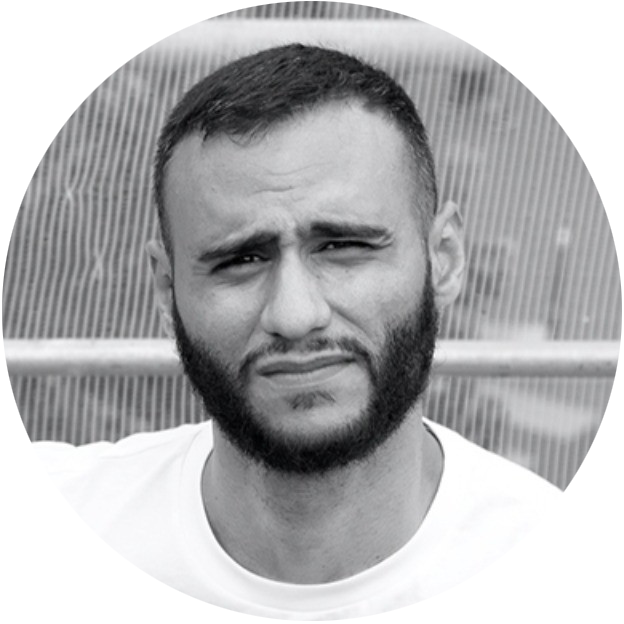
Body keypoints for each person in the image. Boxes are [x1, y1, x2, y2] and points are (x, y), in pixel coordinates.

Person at [3, 44, 622, 621]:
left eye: (344, 246)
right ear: (167, 290)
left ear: (446, 259)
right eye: (241, 260)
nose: (295, 314)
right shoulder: (26, 542)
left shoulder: (582, 597)